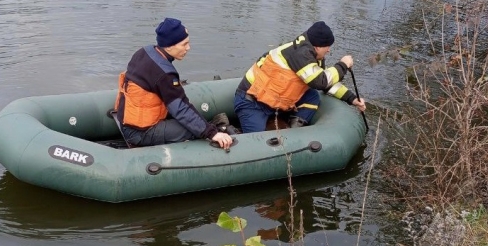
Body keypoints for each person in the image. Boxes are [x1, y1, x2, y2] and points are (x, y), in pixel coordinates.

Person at [114, 18, 233, 149]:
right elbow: (181, 109)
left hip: (126, 121)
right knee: (193, 130)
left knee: (195, 121)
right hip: (140, 133)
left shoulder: (144, 51)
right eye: (184, 44)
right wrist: (212, 133)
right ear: (170, 46)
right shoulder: (165, 74)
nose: (188, 48)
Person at [233, 21, 366, 133]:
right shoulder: (300, 55)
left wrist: (352, 99)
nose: (329, 50)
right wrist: (343, 65)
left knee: (312, 96)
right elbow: (321, 81)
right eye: (327, 47)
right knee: (257, 142)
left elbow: (327, 83)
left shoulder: (312, 55)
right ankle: (229, 130)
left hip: (274, 100)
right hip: (252, 101)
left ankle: (294, 132)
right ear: (317, 47)